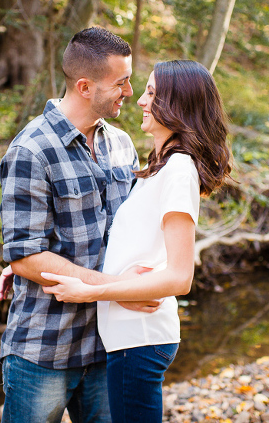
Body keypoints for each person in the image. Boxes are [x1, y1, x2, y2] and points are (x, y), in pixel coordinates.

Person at [40, 60, 233, 423]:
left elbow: (180, 278)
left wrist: (89, 290)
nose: (140, 100)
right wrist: (24, 261)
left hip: (140, 339)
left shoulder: (178, 170)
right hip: (129, 339)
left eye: (152, 93)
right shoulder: (159, 167)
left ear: (178, 106)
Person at [0, 26, 158, 423]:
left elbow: (127, 231)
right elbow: (26, 256)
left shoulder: (120, 144)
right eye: (121, 82)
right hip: (45, 348)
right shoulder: (30, 150)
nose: (130, 92)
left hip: (110, 344)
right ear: (84, 86)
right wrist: (119, 291)